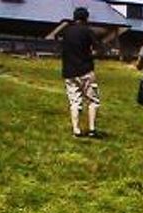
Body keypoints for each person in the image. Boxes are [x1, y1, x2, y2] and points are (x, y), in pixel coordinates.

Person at [59, 7, 101, 138]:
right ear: (86, 18)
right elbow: (97, 48)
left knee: (75, 102)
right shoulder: (88, 31)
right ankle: (92, 129)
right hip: (86, 69)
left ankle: (76, 130)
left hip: (69, 71)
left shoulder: (66, 32)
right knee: (93, 100)